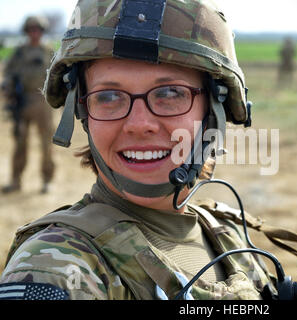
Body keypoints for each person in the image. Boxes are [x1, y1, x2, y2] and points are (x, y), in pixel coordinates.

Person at [0, 0, 277, 300]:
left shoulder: (227, 236)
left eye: (170, 93)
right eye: (108, 96)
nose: (138, 124)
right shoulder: (57, 268)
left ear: (213, 110)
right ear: (82, 112)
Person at [1, 16, 55, 194]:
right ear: (26, 32)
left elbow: (57, 74)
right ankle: (16, 180)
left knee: (46, 143)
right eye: (31, 30)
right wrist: (8, 87)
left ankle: (47, 180)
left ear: (42, 31)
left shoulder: (49, 51)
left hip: (43, 102)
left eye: (37, 30)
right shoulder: (18, 52)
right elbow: (8, 73)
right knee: (20, 143)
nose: (34, 33)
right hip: (22, 101)